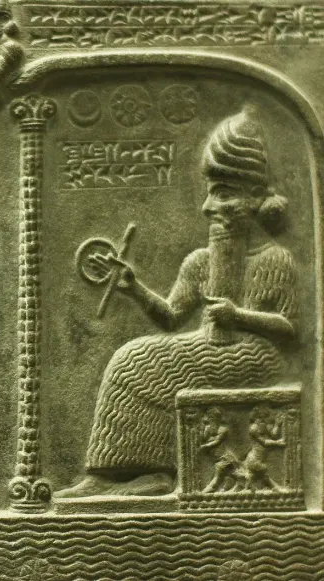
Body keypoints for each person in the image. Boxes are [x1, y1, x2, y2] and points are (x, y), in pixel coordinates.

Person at [56, 106, 298, 498]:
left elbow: (289, 330)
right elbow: (171, 318)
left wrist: (239, 316)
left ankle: (155, 474)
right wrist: (135, 288)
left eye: (223, 194)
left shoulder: (275, 259)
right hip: (210, 346)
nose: (208, 207)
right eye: (209, 193)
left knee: (150, 365)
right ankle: (107, 474)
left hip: (256, 356)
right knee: (129, 358)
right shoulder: (201, 261)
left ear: (255, 197)